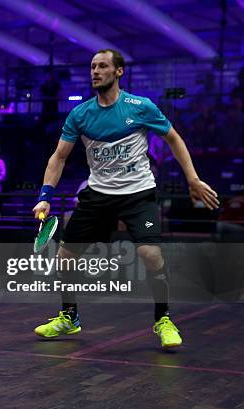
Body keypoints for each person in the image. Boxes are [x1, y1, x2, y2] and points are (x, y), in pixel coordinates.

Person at [32, 49, 220, 348]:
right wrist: (45, 196)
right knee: (65, 259)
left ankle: (163, 319)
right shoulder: (80, 114)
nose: (95, 71)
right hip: (98, 194)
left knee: (150, 254)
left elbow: (174, 138)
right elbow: (59, 157)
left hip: (138, 193)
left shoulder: (141, 107)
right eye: (93, 66)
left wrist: (192, 179)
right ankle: (69, 318)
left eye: (103, 66)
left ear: (118, 72)